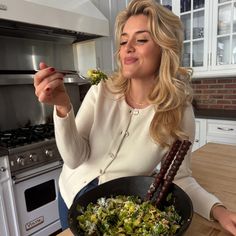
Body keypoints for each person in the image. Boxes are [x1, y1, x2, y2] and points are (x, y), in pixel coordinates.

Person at [34, 0, 236, 234]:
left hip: (118, 211)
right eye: (123, 40)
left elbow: (179, 178)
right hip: (70, 197)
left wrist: (218, 210)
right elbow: (74, 159)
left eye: (140, 40)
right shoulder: (101, 91)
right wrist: (62, 106)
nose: (128, 47)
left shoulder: (179, 113)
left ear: (164, 48)